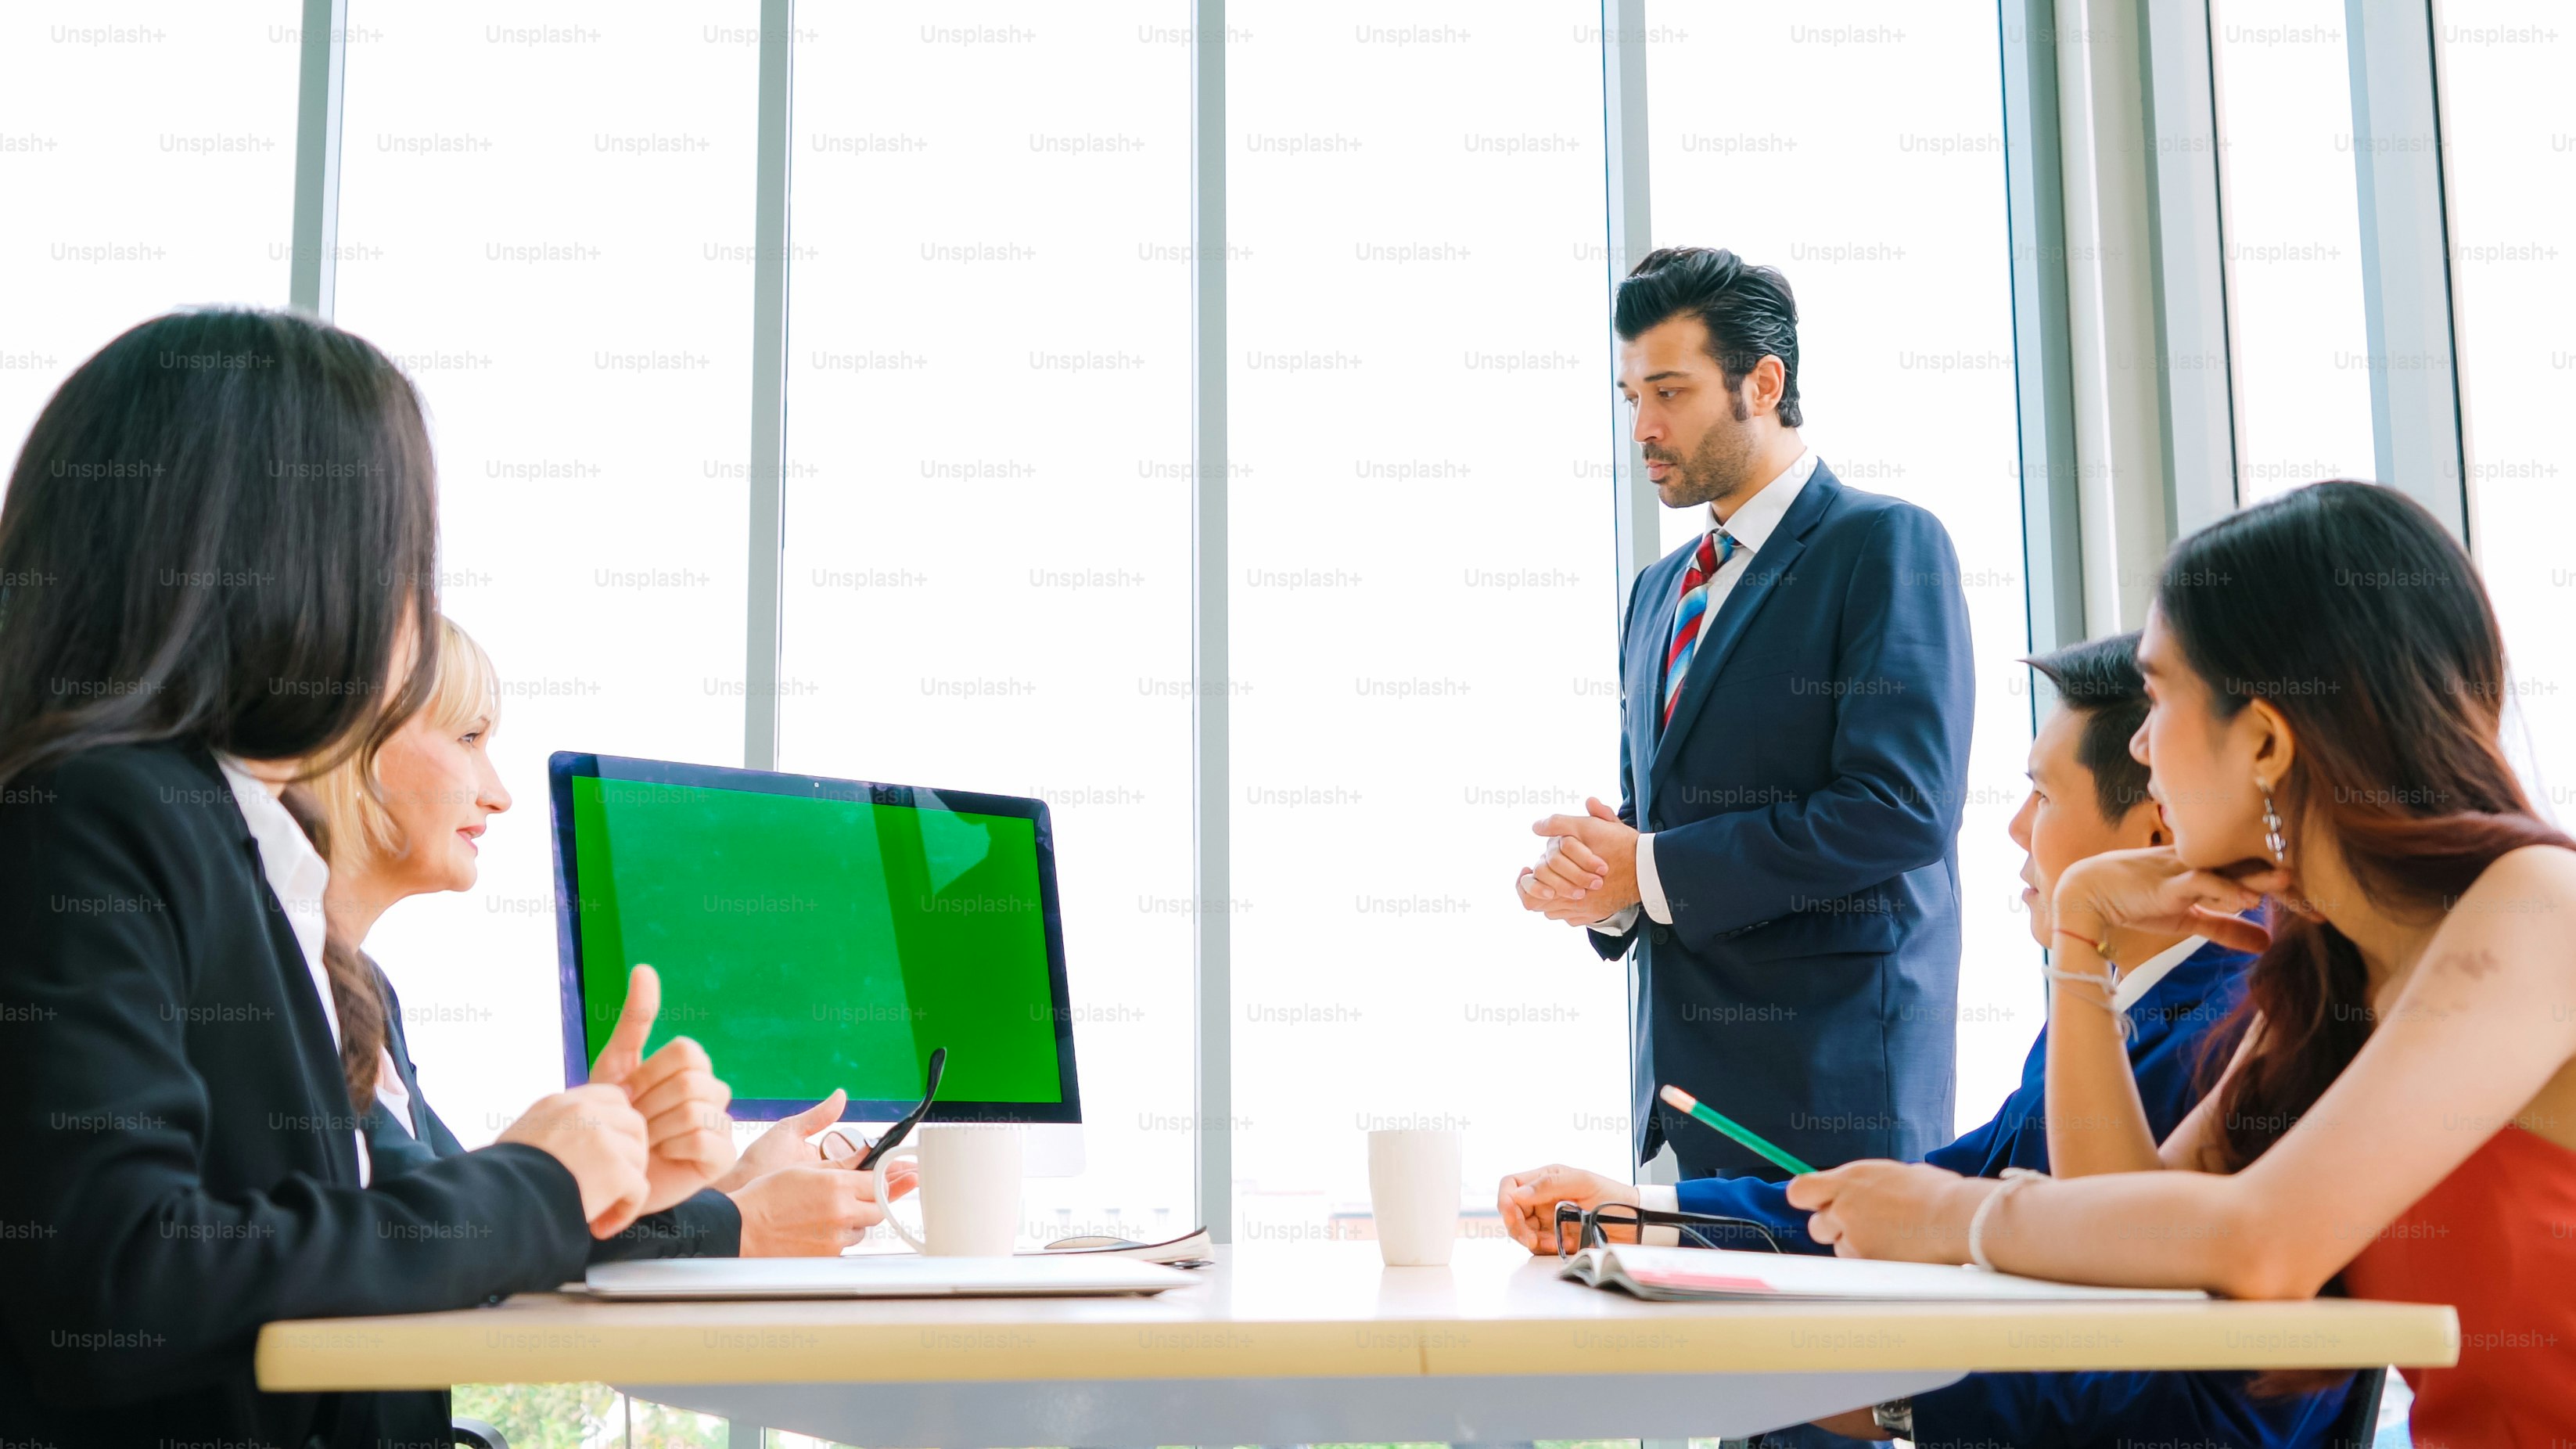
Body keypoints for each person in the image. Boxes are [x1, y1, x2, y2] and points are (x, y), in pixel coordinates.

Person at [0, 310, 735, 1447]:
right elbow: (123, 1275)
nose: (407, 619)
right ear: (287, 566)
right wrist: (535, 1184)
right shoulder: (101, 812)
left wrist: (596, 1183)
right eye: (398, 564)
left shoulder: (232, 844)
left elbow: (313, 1246)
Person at [1789, 482, 2576, 1444]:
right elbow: (2134, 1244)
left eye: (2156, 696)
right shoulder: (2335, 970)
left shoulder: (2538, 906)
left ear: (2263, 740)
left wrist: (1959, 1218)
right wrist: (2080, 940)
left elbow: (2261, 1240)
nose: (2138, 741)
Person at [1499, 632, 2359, 1446]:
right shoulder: (2123, 1003)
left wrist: (1895, 1397)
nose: (2015, 827)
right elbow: (1913, 1197)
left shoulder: (2243, 1031)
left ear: (2156, 826)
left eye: (2043, 795)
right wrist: (1628, 1212)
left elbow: (2221, 1403)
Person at [1517, 246, 1976, 1179]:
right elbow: (1657, 834)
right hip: (1679, 1116)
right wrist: (1602, 887)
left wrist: (1646, 867)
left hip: (1834, 1110)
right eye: (1628, 397)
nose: (1642, 425)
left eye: (1670, 392)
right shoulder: (1656, 594)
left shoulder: (1882, 545)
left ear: (1761, 383)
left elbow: (1900, 810)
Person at [307, 614, 915, 1256]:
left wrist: (735, 1193)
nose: (499, 795)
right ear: (351, 744)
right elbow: (432, 1238)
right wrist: (745, 1223)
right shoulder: (283, 986)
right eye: (467, 737)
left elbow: (474, 1226)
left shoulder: (365, 990)